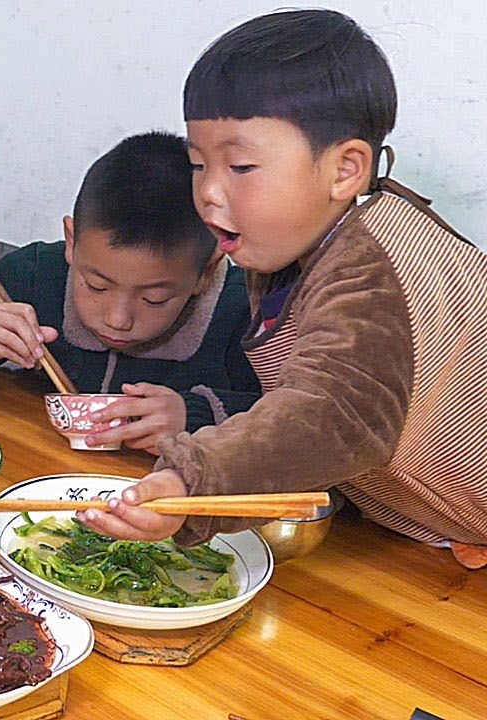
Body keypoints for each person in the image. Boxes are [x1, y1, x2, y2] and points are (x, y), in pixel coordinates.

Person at [80, 10, 487, 569]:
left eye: (241, 166)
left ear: (345, 171)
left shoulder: (375, 264)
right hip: (440, 524)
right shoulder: (290, 243)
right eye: (200, 165)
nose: (209, 193)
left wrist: (189, 478)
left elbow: (337, 414)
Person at [0, 132, 260, 452]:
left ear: (206, 272)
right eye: (96, 285)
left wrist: (192, 417)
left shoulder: (244, 314)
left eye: (154, 298)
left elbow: (296, 421)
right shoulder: (36, 277)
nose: (117, 318)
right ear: (72, 242)